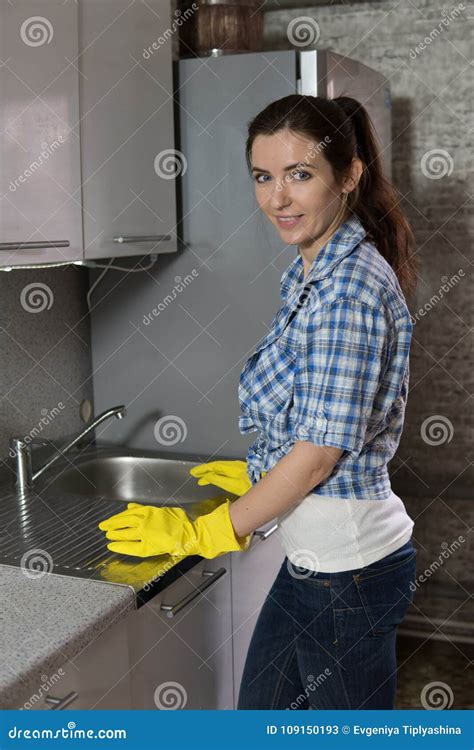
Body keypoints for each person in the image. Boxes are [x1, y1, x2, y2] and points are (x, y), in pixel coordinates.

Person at [97, 94, 418, 710]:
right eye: (264, 177)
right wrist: (258, 474)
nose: (278, 199)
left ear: (348, 176)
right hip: (314, 561)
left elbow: (319, 457)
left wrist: (204, 532)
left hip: (345, 574)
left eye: (300, 175)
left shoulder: (346, 291)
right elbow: (311, 416)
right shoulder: (309, 271)